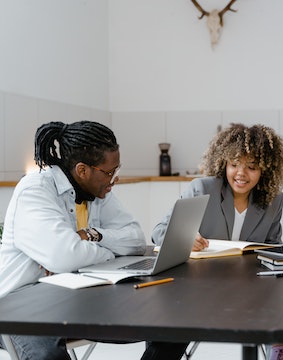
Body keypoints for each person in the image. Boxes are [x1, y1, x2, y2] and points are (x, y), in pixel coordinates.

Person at [0, 121, 188, 360]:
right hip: (20, 304)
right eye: (110, 172)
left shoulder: (97, 192)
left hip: (77, 293)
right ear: (82, 170)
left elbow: (135, 238)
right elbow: (65, 256)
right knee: (47, 355)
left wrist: (92, 236)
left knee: (175, 319)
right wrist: (107, 252)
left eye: (117, 170)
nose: (115, 179)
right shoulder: (35, 189)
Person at [151, 123, 283, 360]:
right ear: (223, 163)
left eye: (252, 167)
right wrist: (184, 238)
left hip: (251, 290)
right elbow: (159, 232)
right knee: (169, 327)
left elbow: (273, 247)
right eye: (234, 164)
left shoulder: (274, 200)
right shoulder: (202, 188)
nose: (241, 173)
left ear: (265, 169)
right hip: (199, 288)